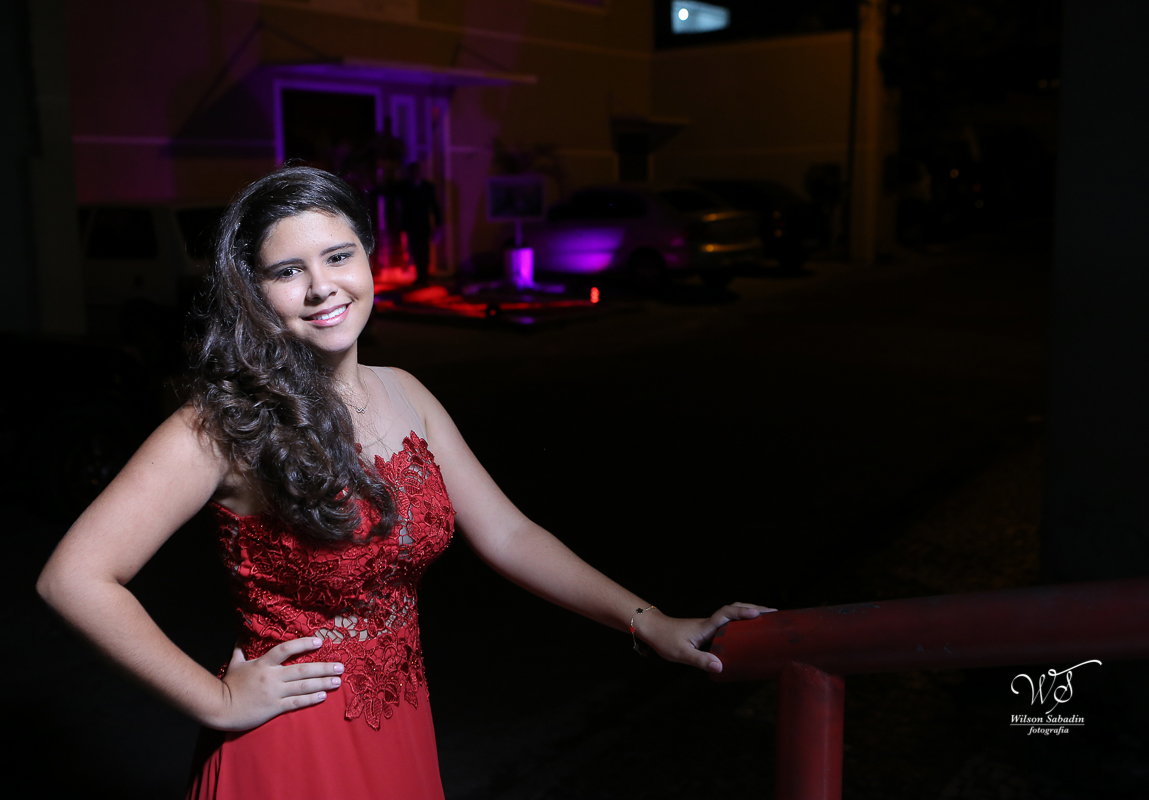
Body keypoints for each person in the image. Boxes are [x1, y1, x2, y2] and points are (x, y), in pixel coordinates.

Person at [37, 166, 772, 799]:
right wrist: (216, 700)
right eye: (288, 271)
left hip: (400, 726)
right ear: (254, 293)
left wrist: (650, 622)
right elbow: (75, 577)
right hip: (294, 748)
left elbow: (511, 534)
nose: (322, 287)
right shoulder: (221, 426)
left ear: (368, 257)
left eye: (337, 255)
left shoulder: (407, 392)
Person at [398, 160, 441, 284]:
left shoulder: (427, 187)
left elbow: (434, 206)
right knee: (415, 251)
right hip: (412, 225)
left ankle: (424, 276)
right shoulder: (406, 187)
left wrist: (438, 224)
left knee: (424, 250)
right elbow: (391, 191)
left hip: (423, 225)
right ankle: (420, 276)